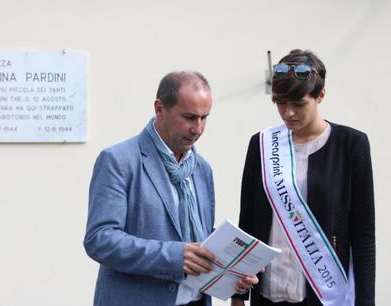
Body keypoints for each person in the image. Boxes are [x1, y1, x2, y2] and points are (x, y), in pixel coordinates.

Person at [84, 70, 257, 306]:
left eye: (204, 117)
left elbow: (198, 238)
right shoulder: (118, 161)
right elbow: (100, 240)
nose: (198, 128)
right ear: (159, 109)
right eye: (189, 117)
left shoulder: (202, 169)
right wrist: (174, 256)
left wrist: (234, 269)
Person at [231, 49, 375, 306]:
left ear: (320, 96)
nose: (288, 113)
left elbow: (363, 234)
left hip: (323, 296)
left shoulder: (351, 145)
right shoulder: (262, 144)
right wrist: (238, 295)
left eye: (298, 104)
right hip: (268, 294)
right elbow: (248, 223)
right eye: (280, 102)